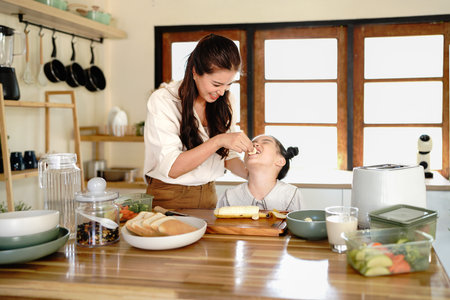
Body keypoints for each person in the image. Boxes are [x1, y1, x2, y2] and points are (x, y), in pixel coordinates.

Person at [143, 34, 254, 209]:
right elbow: (172, 168)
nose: (222, 92)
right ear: (195, 71)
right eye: (216, 84)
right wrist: (219, 140)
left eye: (229, 84)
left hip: (209, 194)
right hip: (169, 196)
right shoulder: (164, 100)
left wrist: (253, 175)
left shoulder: (226, 100)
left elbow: (227, 156)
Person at [216, 135, 302, 211]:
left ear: (280, 161)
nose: (254, 145)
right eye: (252, 143)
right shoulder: (229, 196)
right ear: (245, 162)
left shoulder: (291, 194)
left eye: (265, 142)